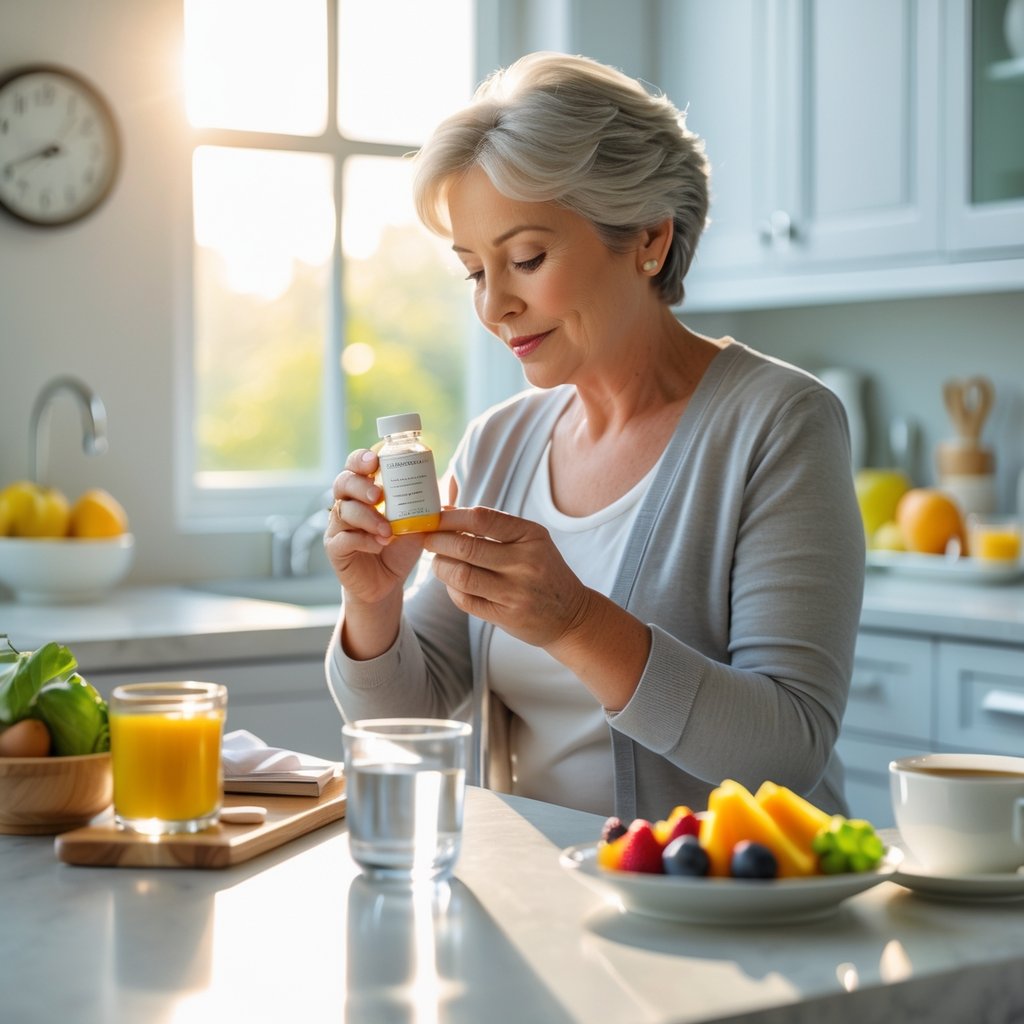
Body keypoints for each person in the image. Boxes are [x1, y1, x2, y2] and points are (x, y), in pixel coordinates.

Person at [323, 52, 865, 821]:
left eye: (526, 259)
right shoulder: (500, 443)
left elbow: (788, 750)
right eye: (475, 271)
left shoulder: (779, 423)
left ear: (647, 237)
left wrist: (578, 622)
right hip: (539, 905)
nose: (494, 307)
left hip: (723, 912)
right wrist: (371, 604)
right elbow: (403, 724)